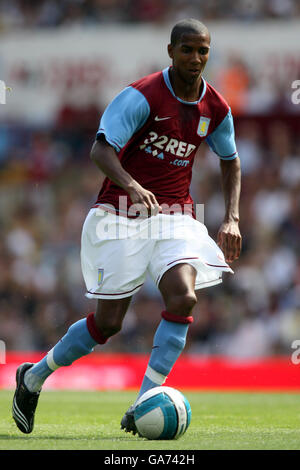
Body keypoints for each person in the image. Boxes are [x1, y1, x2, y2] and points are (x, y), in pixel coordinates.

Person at [12, 18, 241, 435]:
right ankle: (33, 377)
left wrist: (231, 217)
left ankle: (142, 403)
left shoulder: (216, 108)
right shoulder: (141, 96)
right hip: (119, 214)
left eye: (202, 50)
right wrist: (132, 185)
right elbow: (101, 149)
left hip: (175, 216)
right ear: (170, 51)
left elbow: (231, 159)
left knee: (183, 296)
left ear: (209, 54)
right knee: (109, 324)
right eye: (186, 49)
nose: (195, 58)